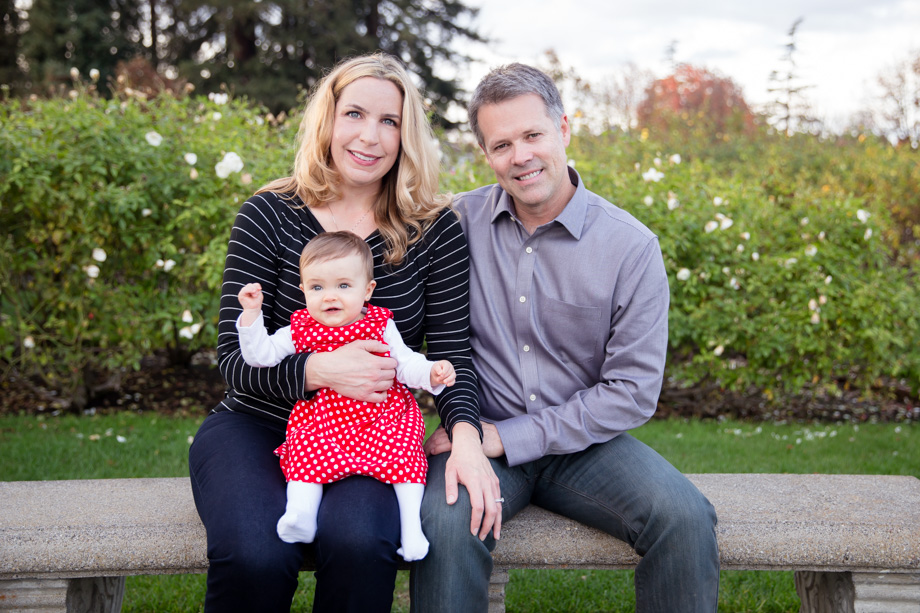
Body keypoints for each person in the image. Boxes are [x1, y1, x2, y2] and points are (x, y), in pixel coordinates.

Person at [188, 52, 498, 613]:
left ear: (407, 136)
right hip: (256, 425)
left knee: (360, 543)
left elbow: (453, 356)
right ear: (327, 120)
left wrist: (468, 440)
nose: (370, 137)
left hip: (371, 436)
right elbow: (234, 359)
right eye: (354, 114)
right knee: (258, 553)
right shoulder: (268, 213)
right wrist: (319, 370)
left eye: (390, 122)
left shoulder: (432, 229)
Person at [411, 63, 720, 612]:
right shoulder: (456, 224)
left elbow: (631, 391)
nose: (521, 156)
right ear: (486, 154)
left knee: (684, 517)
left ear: (564, 129)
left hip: (584, 444)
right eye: (502, 144)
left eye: (533, 135)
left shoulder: (630, 248)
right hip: (478, 436)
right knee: (446, 521)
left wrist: (509, 438)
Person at [235, 231, 456, 561]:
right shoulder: (301, 328)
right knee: (303, 449)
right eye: (317, 287)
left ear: (367, 290)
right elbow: (260, 356)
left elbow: (404, 362)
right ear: (303, 290)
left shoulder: (379, 324)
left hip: (381, 419)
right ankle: (301, 514)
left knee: (406, 455)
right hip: (325, 422)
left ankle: (413, 530)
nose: (329, 297)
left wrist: (430, 374)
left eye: (343, 286)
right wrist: (252, 317)